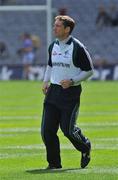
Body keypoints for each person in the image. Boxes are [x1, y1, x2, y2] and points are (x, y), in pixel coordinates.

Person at [41, 15, 94, 170]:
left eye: (58, 26)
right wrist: (46, 81)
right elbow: (50, 65)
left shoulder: (78, 47)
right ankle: (54, 164)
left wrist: (72, 81)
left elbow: (89, 71)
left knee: (68, 130)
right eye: (54, 25)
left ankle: (85, 147)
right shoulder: (53, 46)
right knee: (47, 131)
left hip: (70, 93)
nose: (54, 28)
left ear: (67, 29)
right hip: (53, 91)